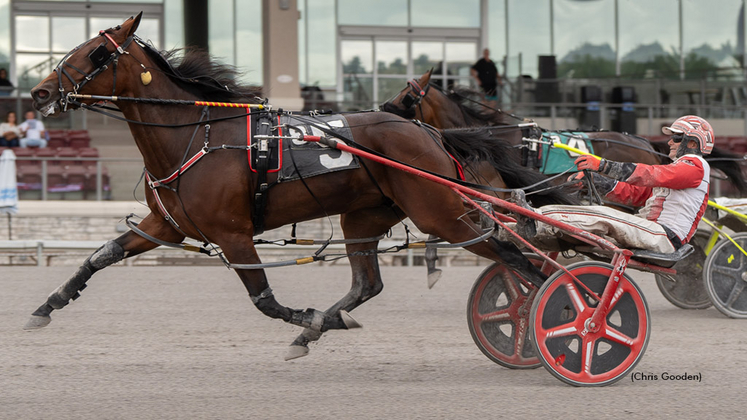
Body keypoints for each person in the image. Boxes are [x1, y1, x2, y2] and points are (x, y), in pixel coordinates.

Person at [512, 115, 713, 254]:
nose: (670, 142)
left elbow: (650, 174)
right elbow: (635, 194)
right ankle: (507, 229)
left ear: (693, 144)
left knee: (600, 214)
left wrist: (602, 165)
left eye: (676, 138)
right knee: (589, 219)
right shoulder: (677, 171)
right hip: (651, 230)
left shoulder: (696, 166)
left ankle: (533, 218)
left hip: (663, 236)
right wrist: (594, 181)